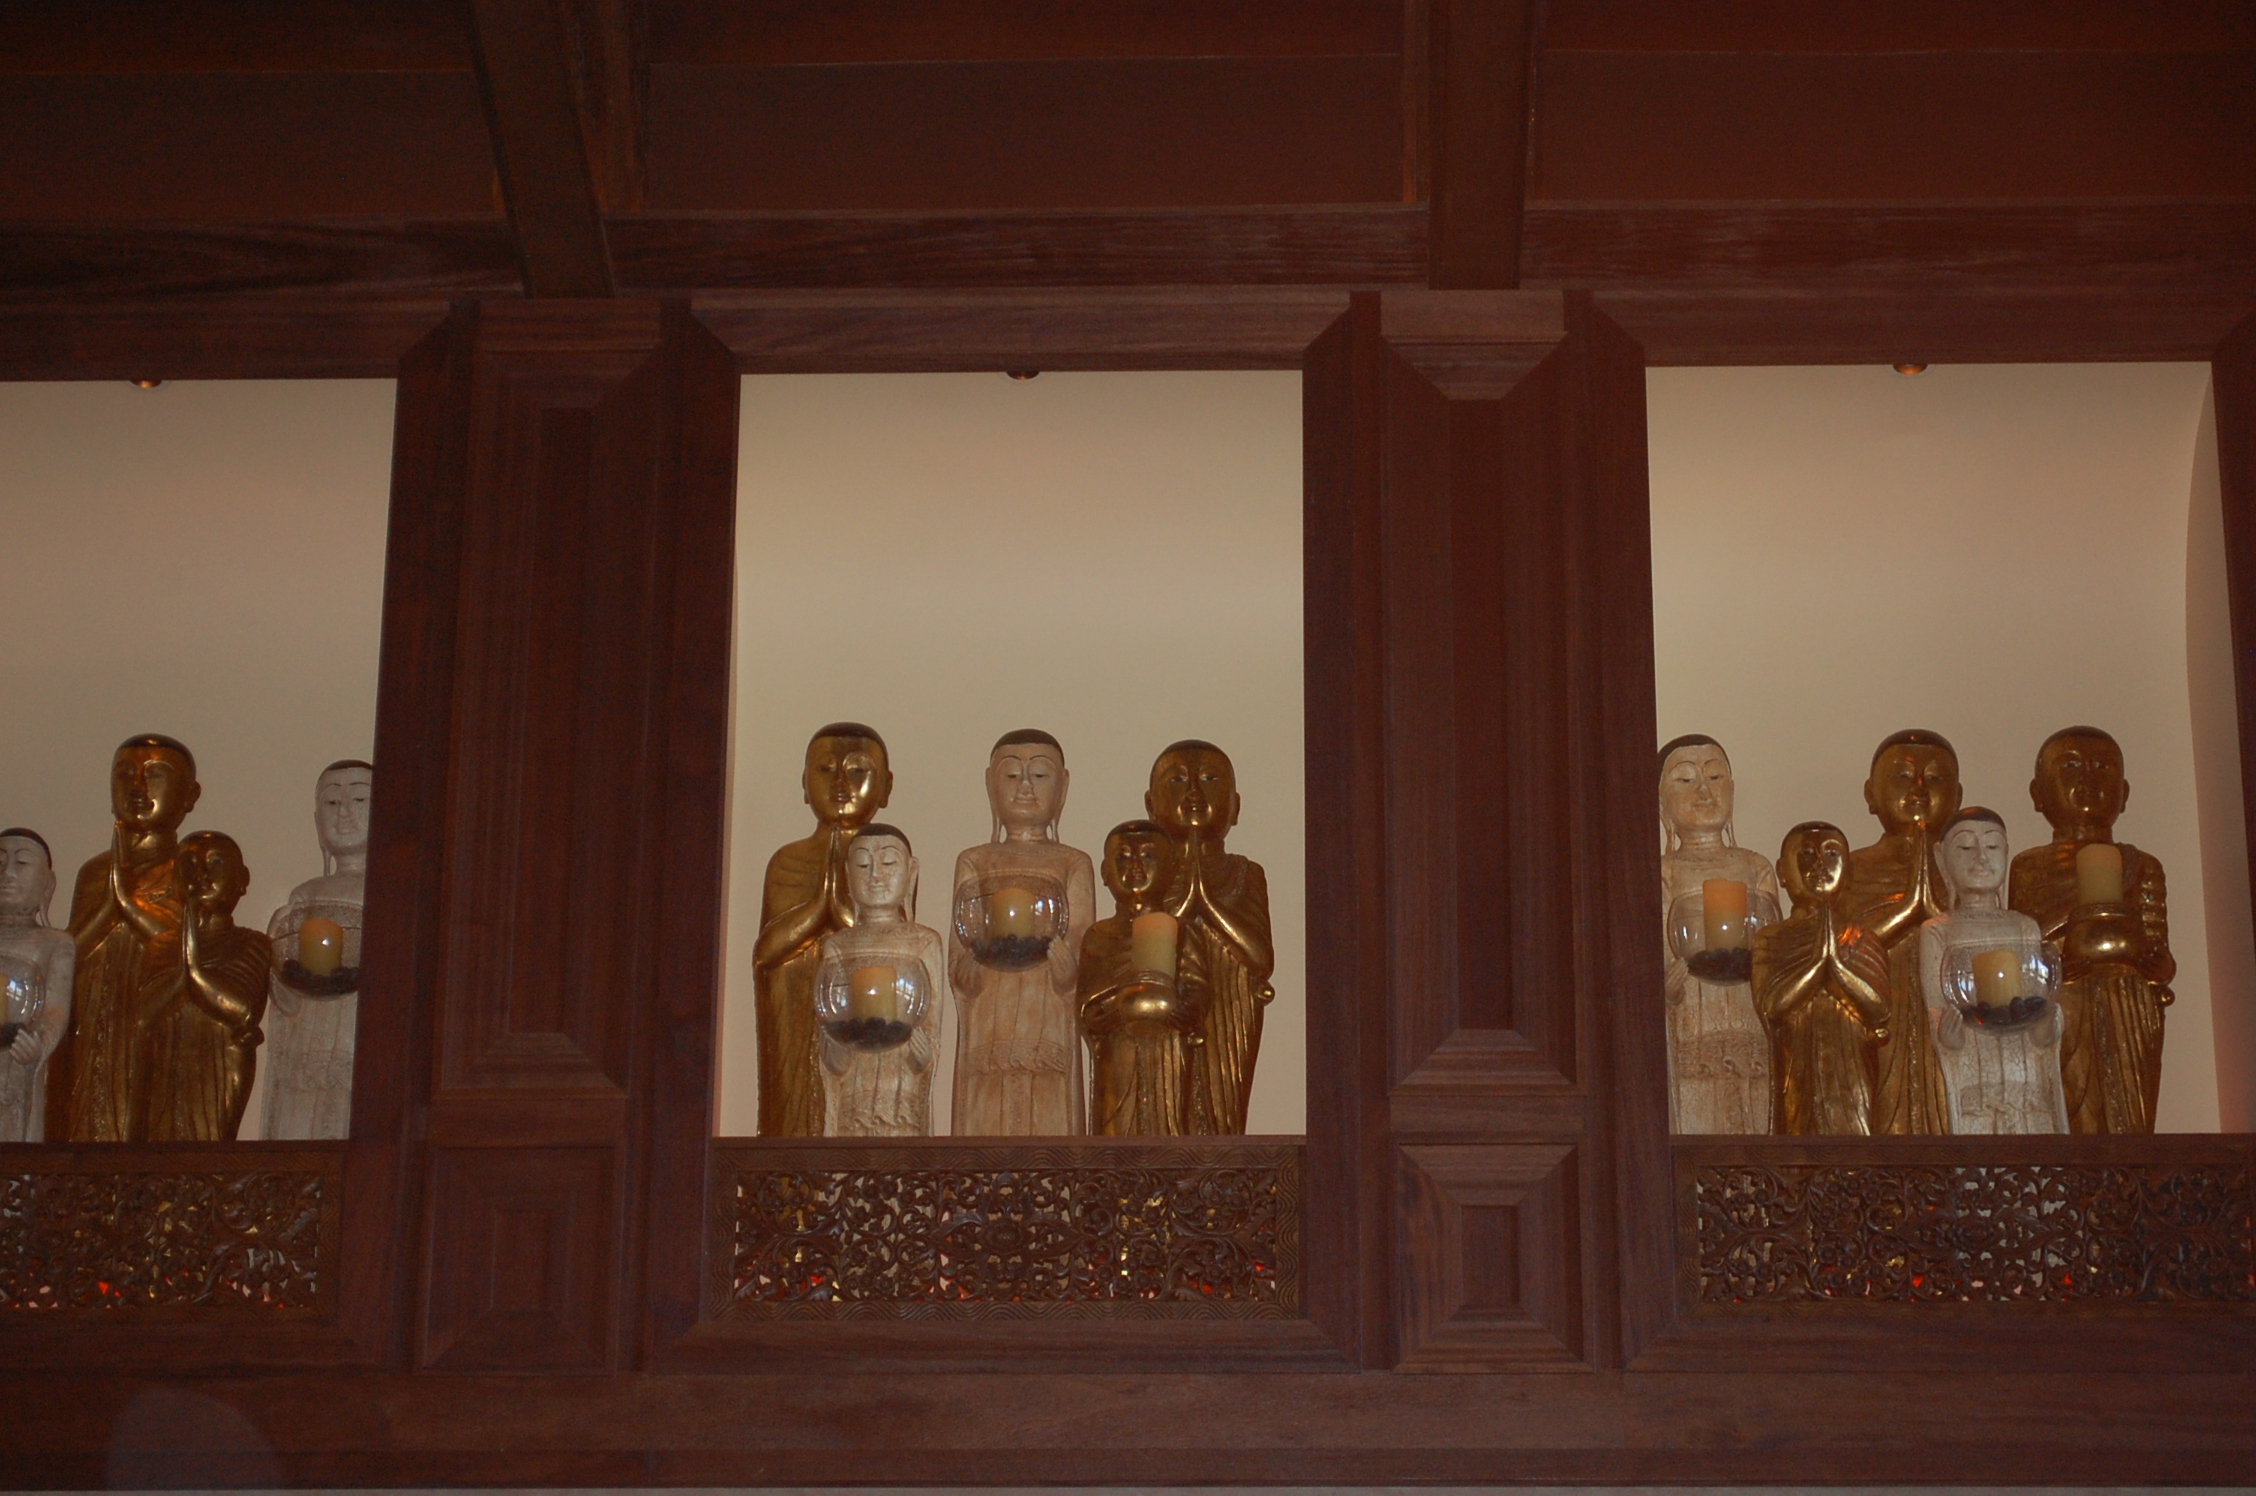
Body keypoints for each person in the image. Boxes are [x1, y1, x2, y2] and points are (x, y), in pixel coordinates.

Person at [2008, 726, 2173, 1133]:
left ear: (2124, 793)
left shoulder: (2142, 865)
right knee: (2068, 1108)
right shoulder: (2029, 866)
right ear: (2038, 794)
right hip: (2063, 1000)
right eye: (2070, 767)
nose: (2087, 780)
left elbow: (2161, 957)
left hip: (2129, 1001)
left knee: (2130, 1117)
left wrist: (2152, 963)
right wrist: (2067, 949)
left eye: (2102, 769)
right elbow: (2025, 948)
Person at [51, 733, 201, 1141]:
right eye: (124, 775)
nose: (136, 787)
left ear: (190, 795)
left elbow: (189, 954)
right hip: (94, 1027)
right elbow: (65, 959)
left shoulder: (191, 872)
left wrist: (128, 905)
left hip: (155, 1026)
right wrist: (107, 909)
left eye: (154, 775)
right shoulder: (95, 873)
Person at [948, 729, 1095, 1135]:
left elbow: (1081, 950)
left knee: (1047, 1106)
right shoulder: (974, 861)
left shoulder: (1072, 864)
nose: (1026, 786)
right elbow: (959, 953)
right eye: (1012, 775)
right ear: (990, 784)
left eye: (1041, 775)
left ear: (1063, 787)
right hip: (989, 1015)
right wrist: (968, 970)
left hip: (1046, 1014)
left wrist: (1068, 972)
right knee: (986, 1107)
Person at [754, 723, 892, 1136]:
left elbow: (893, 950)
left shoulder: (889, 860)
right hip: (794, 1013)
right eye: (826, 770)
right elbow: (765, 955)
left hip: (862, 1017)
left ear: (886, 787)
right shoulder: (787, 861)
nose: (840, 785)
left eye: (858, 771)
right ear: (804, 783)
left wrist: (842, 915)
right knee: (792, 1114)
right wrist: (818, 911)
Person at [1146, 740, 1273, 1135]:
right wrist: (1187, 903)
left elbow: (1261, 959)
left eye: (1210, 780)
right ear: (1151, 805)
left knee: (1223, 1118)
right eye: (1177, 780)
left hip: (1230, 1007)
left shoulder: (1246, 874)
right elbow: (1144, 956)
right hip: (1169, 1011)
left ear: (1235, 806)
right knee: (1166, 1110)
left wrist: (1207, 904)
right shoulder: (1147, 876)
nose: (1194, 793)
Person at [1656, 734, 1779, 1134]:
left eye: (1715, 777)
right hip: (1694, 1014)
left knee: (1756, 1103)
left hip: (1748, 1010)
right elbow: (1660, 955)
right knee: (1699, 1106)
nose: (1704, 791)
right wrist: (1668, 988)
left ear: (1732, 790)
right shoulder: (1662, 872)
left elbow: (1771, 944)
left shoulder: (1755, 866)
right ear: (1661, 803)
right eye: (1686, 780)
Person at [1917, 807, 2067, 1134]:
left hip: (2023, 1067)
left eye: (1993, 846)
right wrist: (1947, 1033)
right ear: (1942, 860)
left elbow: (2039, 999)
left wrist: (2047, 1024)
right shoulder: (1938, 930)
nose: (1981, 858)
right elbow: (1936, 1006)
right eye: (1965, 847)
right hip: (1974, 1066)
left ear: (2006, 853)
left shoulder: (2024, 927)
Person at [1843, 729, 1959, 1134]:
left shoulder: (1970, 867)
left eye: (1935, 778)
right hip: (1878, 1025)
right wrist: (1908, 911)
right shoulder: (1850, 869)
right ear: (1871, 794)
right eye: (1903, 777)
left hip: (1951, 1023)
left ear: (1957, 797)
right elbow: (1839, 950)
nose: (1919, 789)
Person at [1752, 822, 1892, 1135]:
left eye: (1831, 854)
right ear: (1782, 872)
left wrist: (1837, 970)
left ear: (1849, 872)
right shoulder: (1770, 939)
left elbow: (1880, 1010)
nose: (1819, 864)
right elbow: (1772, 1007)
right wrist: (1817, 965)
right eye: (1805, 854)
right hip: (1796, 1066)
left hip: (1851, 1068)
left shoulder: (1862, 938)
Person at [263, 759, 372, 1139]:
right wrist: (277, 945)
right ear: (316, 821)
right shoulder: (304, 896)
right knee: (302, 1119)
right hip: (308, 1039)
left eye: (359, 799)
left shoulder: (392, 894)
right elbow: (286, 1001)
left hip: (357, 1034)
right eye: (331, 802)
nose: (344, 812)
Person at [140, 831, 271, 1141]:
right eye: (189, 864)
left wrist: (193, 971)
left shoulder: (251, 942)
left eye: (216, 863)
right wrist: (187, 969)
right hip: (165, 1068)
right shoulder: (160, 946)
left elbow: (243, 1011)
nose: (201, 873)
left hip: (218, 1066)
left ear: (242, 880)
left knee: (210, 1150)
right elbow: (144, 1015)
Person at [1079, 820, 1206, 1137]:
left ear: (1172, 869)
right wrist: (1111, 1011)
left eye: (1148, 856)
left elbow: (1197, 988)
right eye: (1122, 858)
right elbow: (1086, 1005)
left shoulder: (1183, 932)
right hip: (1117, 1052)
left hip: (1168, 1048)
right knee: (1115, 1131)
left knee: (1169, 1124)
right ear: (1105, 872)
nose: (1134, 866)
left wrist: (1187, 1010)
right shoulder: (1098, 936)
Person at [816, 825, 943, 1137]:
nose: (875, 875)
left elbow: (929, 1029)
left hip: (901, 1087)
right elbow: (830, 1022)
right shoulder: (838, 946)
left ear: (911, 872)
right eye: (863, 865)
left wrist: (923, 1056)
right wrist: (837, 1055)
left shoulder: (924, 942)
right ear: (847, 875)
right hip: (855, 1088)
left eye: (888, 863)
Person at [0, 829, 74, 1142]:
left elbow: (55, 1010)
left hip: (18, 1058)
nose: (7, 874)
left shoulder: (54, 944)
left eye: (21, 863)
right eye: (0, 863)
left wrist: (38, 1044)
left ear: (47, 883)